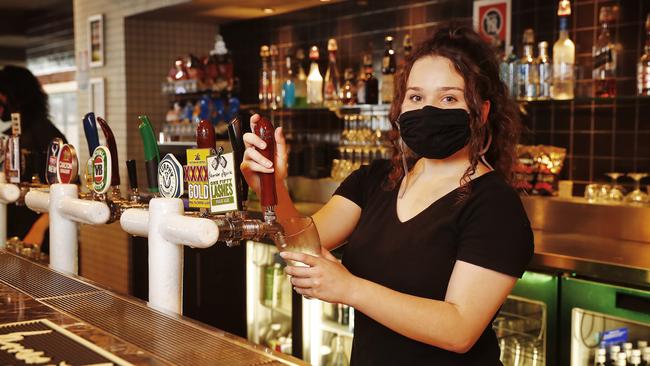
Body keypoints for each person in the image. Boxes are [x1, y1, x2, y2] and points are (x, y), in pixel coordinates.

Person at [242, 26, 534, 365]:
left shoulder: (494, 205)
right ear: (400, 106)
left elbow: (459, 330)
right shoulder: (376, 179)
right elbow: (304, 244)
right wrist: (271, 185)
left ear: (482, 112)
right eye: (416, 97)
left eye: (449, 98)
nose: (428, 110)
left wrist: (350, 288)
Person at [0, 65, 66, 251]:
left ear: (12, 94)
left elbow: (70, 187)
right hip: (11, 232)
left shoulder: (45, 133)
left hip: (38, 236)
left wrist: (39, 228)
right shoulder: (12, 133)